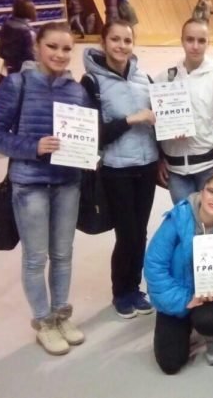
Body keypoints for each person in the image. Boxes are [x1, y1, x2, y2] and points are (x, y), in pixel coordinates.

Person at [0, 22, 91, 356]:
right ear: (37, 48)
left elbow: (85, 136)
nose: (59, 54)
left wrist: (89, 152)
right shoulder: (17, 84)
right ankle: (43, 321)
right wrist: (33, 147)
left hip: (67, 183)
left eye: (66, 48)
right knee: (35, 258)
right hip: (29, 184)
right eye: (52, 47)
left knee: (63, 254)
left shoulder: (77, 90)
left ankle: (61, 314)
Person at [81, 20, 159, 319]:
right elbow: (93, 134)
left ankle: (135, 287)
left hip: (147, 165)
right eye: (115, 39)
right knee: (127, 233)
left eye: (127, 40)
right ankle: (121, 291)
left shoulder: (144, 78)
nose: (121, 46)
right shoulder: (92, 83)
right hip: (116, 168)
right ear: (103, 42)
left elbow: (158, 123)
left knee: (141, 231)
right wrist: (130, 120)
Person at [144, 173, 213, 374]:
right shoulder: (178, 218)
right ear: (201, 193)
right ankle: (185, 323)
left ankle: (212, 336)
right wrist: (184, 299)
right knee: (170, 363)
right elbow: (154, 265)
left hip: (210, 295)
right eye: (212, 191)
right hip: (180, 293)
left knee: (210, 320)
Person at [155, 18, 213, 204]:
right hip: (175, 170)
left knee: (211, 219)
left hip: (207, 168)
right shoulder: (163, 79)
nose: (195, 46)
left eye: (201, 41)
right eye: (190, 39)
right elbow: (155, 124)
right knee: (184, 219)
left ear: (208, 43)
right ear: (181, 40)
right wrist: (160, 159)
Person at [0, 0, 36, 89]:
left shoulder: (6, 26)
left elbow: (0, 51)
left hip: (9, 70)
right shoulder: (28, 32)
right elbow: (31, 57)